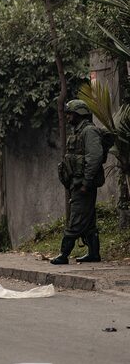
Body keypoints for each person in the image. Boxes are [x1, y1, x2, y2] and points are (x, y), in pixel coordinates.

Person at [51, 100, 105, 265]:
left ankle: (64, 254)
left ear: (79, 114)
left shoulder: (89, 131)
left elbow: (95, 157)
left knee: (76, 219)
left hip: (83, 184)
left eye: (70, 114)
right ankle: (93, 254)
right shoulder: (79, 132)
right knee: (88, 221)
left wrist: (86, 182)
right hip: (77, 183)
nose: (67, 117)